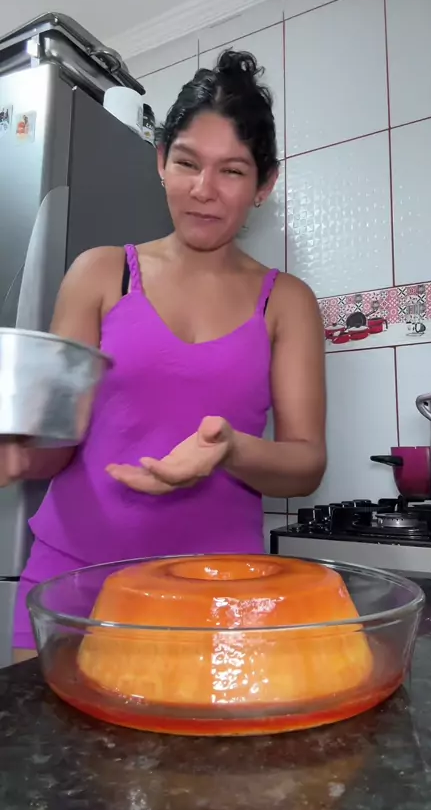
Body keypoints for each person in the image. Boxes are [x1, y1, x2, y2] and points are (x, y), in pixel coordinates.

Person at [0, 50, 327, 663]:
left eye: (232, 171)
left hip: (217, 600)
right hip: (73, 584)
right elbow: (58, 442)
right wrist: (17, 449)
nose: (203, 190)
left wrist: (230, 449)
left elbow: (306, 464)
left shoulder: (286, 302)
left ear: (264, 184)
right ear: (160, 161)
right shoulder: (100, 273)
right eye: (186, 162)